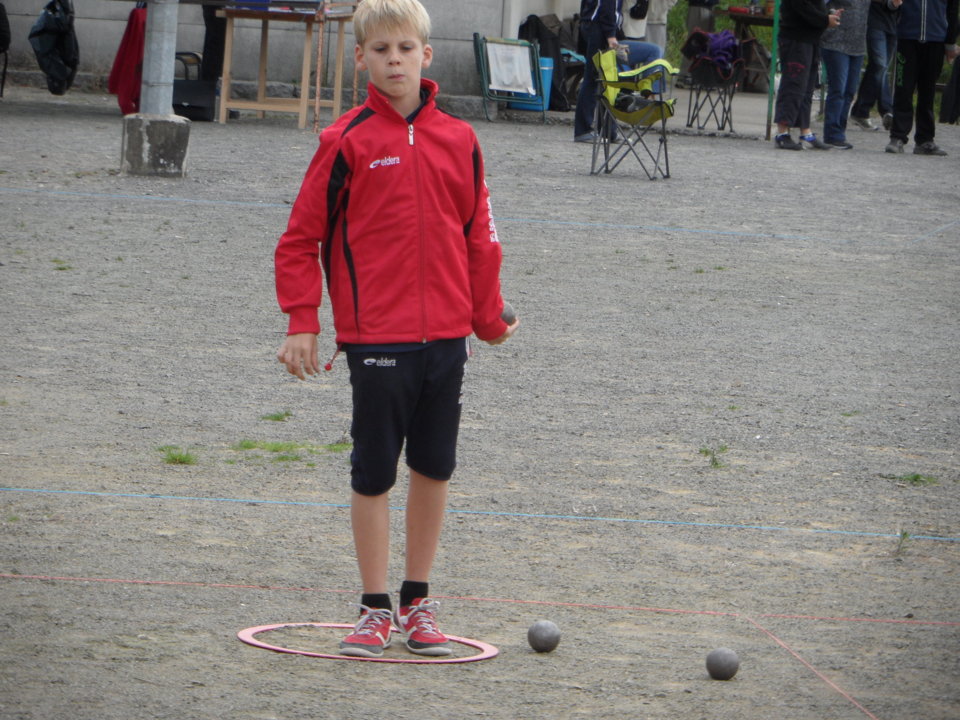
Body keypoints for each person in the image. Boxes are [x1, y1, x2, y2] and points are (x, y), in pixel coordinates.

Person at [274, 0, 519, 659]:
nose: (394, 60)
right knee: (374, 472)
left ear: (425, 55)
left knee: (434, 466)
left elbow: (481, 239)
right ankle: (373, 607)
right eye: (380, 50)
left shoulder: (461, 140)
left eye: (405, 49)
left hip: (446, 340)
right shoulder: (345, 141)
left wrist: (488, 319)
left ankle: (418, 601)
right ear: (360, 58)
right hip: (375, 341)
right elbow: (299, 241)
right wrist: (304, 322)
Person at [574, 0, 664, 142]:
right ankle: (584, 130)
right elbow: (607, 5)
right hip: (600, 30)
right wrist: (611, 35)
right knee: (595, 79)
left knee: (610, 80)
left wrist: (616, 33)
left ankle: (607, 131)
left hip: (599, 28)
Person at [885, 0, 959, 155]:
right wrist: (892, 5)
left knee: (928, 91)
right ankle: (898, 136)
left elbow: (952, 10)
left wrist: (950, 42)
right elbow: (890, 4)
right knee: (903, 88)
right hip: (907, 37)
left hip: (936, 39)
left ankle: (925, 139)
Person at [773, 0, 841, 149]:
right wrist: (824, 20)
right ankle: (782, 133)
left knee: (807, 88)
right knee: (793, 85)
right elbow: (801, 7)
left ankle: (805, 131)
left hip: (811, 39)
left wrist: (828, 15)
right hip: (796, 38)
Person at [820, 0, 871, 149]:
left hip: (858, 44)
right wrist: (828, 16)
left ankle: (839, 132)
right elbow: (820, 4)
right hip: (835, 41)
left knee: (849, 91)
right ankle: (832, 134)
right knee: (838, 89)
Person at [849, 0, 903, 131]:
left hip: (895, 23)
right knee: (880, 66)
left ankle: (861, 111)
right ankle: (887, 109)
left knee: (877, 68)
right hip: (875, 20)